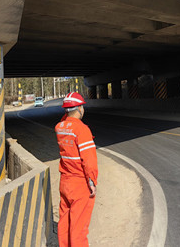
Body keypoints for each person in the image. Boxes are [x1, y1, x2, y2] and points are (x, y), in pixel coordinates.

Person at [55, 92, 98, 247]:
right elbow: (89, 160)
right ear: (79, 108)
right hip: (80, 184)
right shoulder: (82, 129)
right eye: (82, 107)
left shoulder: (60, 127)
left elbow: (65, 122)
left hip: (65, 182)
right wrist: (92, 181)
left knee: (65, 222)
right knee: (79, 228)